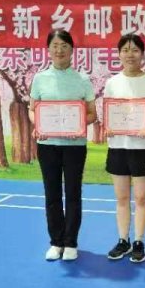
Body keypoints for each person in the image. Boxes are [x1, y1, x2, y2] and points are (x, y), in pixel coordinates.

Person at [28, 29, 97, 262]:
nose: (59, 50)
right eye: (55, 46)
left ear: (72, 50)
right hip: (47, 145)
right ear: (48, 50)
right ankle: (56, 242)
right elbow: (32, 109)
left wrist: (77, 124)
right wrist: (38, 124)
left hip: (74, 145)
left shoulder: (83, 80)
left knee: (73, 193)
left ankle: (70, 243)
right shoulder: (39, 79)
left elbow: (92, 114)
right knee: (52, 194)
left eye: (64, 46)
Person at [104, 34, 145, 263]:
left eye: (135, 50)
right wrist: (109, 126)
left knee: (140, 198)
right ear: (119, 54)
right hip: (118, 147)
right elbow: (109, 113)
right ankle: (123, 240)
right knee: (121, 198)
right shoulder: (112, 83)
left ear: (142, 54)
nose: (130, 54)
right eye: (125, 50)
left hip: (142, 148)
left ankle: (139, 241)